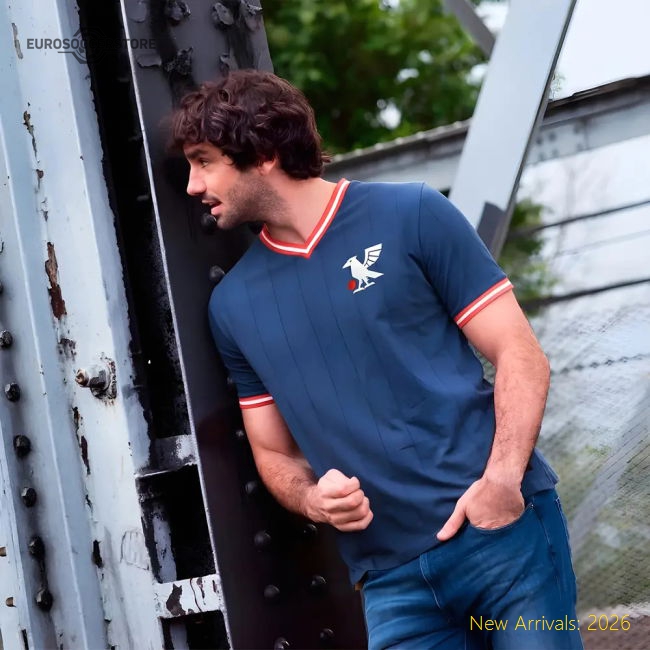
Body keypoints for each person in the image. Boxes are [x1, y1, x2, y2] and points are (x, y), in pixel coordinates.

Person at [169, 69, 583, 650]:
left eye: (204, 161)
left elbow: (520, 353)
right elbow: (273, 450)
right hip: (391, 584)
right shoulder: (232, 306)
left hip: (501, 539)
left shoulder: (412, 214)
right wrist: (312, 499)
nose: (192, 185)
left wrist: (502, 482)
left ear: (262, 153)